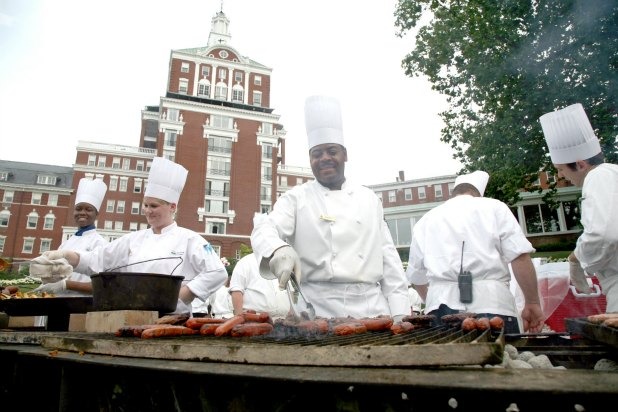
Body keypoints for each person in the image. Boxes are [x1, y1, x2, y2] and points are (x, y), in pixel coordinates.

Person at [250, 95, 410, 321]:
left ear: (345, 155)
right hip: (316, 312)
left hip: (372, 311)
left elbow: (390, 260)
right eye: (317, 154)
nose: (324, 158)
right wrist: (276, 249)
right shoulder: (296, 197)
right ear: (310, 159)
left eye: (332, 151)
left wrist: (401, 314)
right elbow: (264, 227)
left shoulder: (369, 199)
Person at [40, 157, 228, 315]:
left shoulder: (190, 239)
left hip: (173, 316)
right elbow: (98, 260)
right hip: (132, 314)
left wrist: (187, 294)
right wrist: (67, 256)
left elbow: (217, 272)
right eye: (145, 205)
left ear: (173, 207)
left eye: (154, 206)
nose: (148, 211)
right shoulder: (133, 239)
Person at [406, 171, 545, 333]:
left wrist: (432, 300)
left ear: (454, 193)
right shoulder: (494, 207)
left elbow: (417, 276)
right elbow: (520, 256)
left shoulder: (426, 220)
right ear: (478, 194)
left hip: (441, 310)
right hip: (493, 305)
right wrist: (532, 302)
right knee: (503, 357)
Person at [539, 103, 618, 313]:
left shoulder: (598, 176)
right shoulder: (612, 174)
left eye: (561, 169)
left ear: (580, 164)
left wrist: (576, 258)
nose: (562, 175)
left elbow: (603, 234)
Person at [33, 177, 109, 296]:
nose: (82, 213)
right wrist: (47, 277)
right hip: (58, 305)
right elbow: (56, 275)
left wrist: (66, 285)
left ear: (96, 214)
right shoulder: (65, 244)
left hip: (82, 308)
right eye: (78, 209)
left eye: (88, 209)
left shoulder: (101, 244)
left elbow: (104, 286)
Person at [229, 252, 290, 320]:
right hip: (255, 321)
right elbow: (236, 291)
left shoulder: (283, 263)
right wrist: (239, 319)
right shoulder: (246, 261)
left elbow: (290, 292)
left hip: (284, 320)